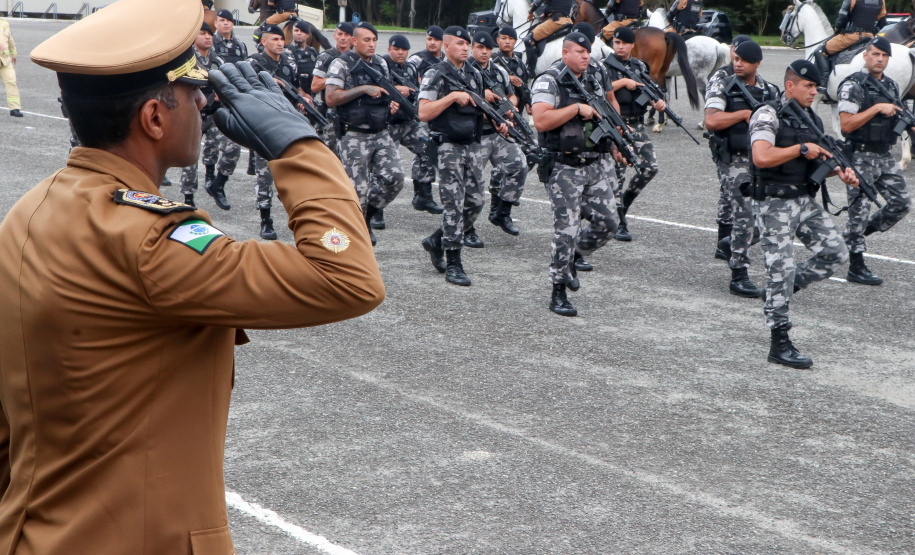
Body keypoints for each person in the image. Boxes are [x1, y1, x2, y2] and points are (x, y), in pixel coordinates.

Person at [0, 0, 384, 551]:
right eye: (191, 94)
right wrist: (297, 145)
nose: (204, 105)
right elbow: (348, 276)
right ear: (154, 119)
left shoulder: (31, 211)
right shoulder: (151, 239)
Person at [748, 60, 857, 368]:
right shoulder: (768, 114)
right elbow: (761, 156)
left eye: (816, 87)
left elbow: (812, 164)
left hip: (802, 202)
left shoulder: (811, 119)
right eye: (808, 86)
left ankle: (786, 286)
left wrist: (839, 172)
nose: (814, 92)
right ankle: (779, 342)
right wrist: (801, 150)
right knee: (780, 269)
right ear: (790, 86)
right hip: (773, 204)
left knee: (836, 252)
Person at [532, 32, 620, 316]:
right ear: (566, 53)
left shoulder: (594, 76)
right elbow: (541, 120)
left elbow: (607, 108)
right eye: (580, 51)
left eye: (588, 51)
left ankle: (574, 257)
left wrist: (617, 142)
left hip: (594, 163)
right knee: (566, 230)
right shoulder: (549, 80)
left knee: (608, 222)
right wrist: (576, 108)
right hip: (563, 167)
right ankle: (557, 292)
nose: (586, 56)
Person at [418, 26, 506, 286]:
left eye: (467, 43)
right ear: (447, 47)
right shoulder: (435, 74)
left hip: (472, 146)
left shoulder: (474, 73)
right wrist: (452, 97)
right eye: (459, 43)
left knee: (475, 203)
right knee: (454, 205)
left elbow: (480, 107)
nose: (466, 48)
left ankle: (436, 240)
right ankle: (454, 262)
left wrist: (497, 120)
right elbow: (423, 112)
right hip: (448, 148)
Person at [704, 39, 779, 298]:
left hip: (760, 160)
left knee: (770, 216)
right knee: (745, 213)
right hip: (732, 160)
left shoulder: (770, 91)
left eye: (744, 61)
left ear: (757, 63)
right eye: (736, 59)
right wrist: (744, 114)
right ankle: (739, 273)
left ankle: (729, 243)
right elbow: (711, 120)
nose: (737, 63)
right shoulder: (722, 84)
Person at [836, 36, 912, 284]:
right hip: (860, 155)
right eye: (875, 54)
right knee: (859, 210)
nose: (879, 59)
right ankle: (856, 267)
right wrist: (876, 108)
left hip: (884, 155)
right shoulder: (852, 85)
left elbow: (902, 116)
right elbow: (846, 125)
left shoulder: (890, 86)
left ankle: (856, 234)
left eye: (884, 55)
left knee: (901, 203)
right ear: (865, 56)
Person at [326, 22, 405, 247]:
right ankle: (354, 240)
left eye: (374, 40)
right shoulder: (340, 64)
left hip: (380, 133)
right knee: (357, 191)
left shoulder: (380, 63)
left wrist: (390, 106)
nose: (371, 45)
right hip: (354, 135)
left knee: (395, 178)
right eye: (366, 40)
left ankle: (367, 217)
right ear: (354, 41)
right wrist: (363, 89)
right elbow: (331, 98)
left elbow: (384, 94)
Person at [604, 26, 665, 242]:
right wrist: (622, 82)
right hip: (617, 126)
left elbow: (647, 89)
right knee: (618, 177)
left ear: (632, 45)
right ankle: (620, 221)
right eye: (616, 43)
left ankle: (625, 203)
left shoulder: (640, 66)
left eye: (624, 43)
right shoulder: (604, 66)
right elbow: (596, 90)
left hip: (637, 125)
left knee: (650, 167)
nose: (619, 46)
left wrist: (656, 102)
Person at [468, 31, 529, 240]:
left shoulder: (500, 71)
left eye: (487, 48)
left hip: (497, 132)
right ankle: (467, 229)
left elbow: (511, 93)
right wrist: (477, 94)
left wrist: (509, 106)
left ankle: (501, 212)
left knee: (518, 165)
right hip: (474, 136)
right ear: (472, 47)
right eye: (479, 47)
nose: (484, 52)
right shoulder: (464, 70)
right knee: (472, 184)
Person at [379, 33, 443, 228]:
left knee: (428, 148)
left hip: (408, 122)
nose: (400, 53)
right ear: (389, 48)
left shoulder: (411, 67)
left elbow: (416, 90)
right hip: (387, 123)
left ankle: (422, 194)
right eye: (396, 49)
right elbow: (375, 87)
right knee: (384, 166)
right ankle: (376, 209)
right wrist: (397, 89)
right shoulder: (381, 65)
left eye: (404, 50)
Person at [180, 22, 241, 212]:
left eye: (210, 34)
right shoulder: (187, 60)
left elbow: (228, 85)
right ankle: (188, 198)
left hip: (214, 115)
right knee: (189, 158)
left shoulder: (218, 61)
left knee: (233, 147)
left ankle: (217, 183)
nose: (208, 37)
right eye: (203, 33)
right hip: (193, 114)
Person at [248, 24, 299, 239]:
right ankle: (265, 219)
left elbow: (295, 89)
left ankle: (294, 215)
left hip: (286, 123)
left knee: (290, 172)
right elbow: (247, 90)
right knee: (265, 174)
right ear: (263, 42)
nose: (279, 43)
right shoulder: (254, 62)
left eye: (281, 39)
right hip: (264, 124)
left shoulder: (289, 62)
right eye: (274, 39)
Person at [705, 33, 753, 260]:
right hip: (726, 144)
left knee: (727, 194)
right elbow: (712, 118)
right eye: (737, 52)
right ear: (732, 50)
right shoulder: (721, 78)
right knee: (731, 194)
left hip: (747, 148)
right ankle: (728, 245)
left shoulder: (759, 83)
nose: (738, 59)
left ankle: (722, 243)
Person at [813, 0, 887, 89]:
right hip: (869, 36)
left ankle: (823, 83)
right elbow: (883, 22)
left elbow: (842, 18)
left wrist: (838, 29)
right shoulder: (881, 1)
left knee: (820, 51)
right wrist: (873, 31)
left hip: (851, 36)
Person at [312, 22, 354, 158]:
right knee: (330, 155)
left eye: (347, 35)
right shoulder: (326, 57)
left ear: (353, 38)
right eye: (340, 34)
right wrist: (335, 79)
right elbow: (315, 85)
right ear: (335, 36)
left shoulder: (356, 57)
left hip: (352, 113)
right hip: (331, 114)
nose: (343, 38)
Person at [525, 0, 576, 73]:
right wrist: (546, 14)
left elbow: (538, 2)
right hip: (568, 20)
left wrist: (530, 12)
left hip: (556, 21)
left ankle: (530, 71)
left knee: (528, 39)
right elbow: (559, 5)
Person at [491, 26, 531, 117]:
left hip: (518, 113)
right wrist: (506, 78)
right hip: (498, 111)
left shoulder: (520, 63)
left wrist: (528, 102)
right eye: (504, 38)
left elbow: (525, 85)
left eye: (511, 38)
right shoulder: (492, 60)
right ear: (498, 41)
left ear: (515, 41)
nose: (507, 41)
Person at [286, 19, 318, 98]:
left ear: (307, 34)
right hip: (294, 97)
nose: (299, 33)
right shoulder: (287, 51)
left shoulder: (313, 52)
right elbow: (288, 78)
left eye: (302, 31)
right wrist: (302, 93)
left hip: (311, 96)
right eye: (296, 30)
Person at [0, 16, 21, 117]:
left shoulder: (4, 23)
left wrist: (14, 54)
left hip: (5, 60)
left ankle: (14, 108)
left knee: (11, 82)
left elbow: (10, 40)